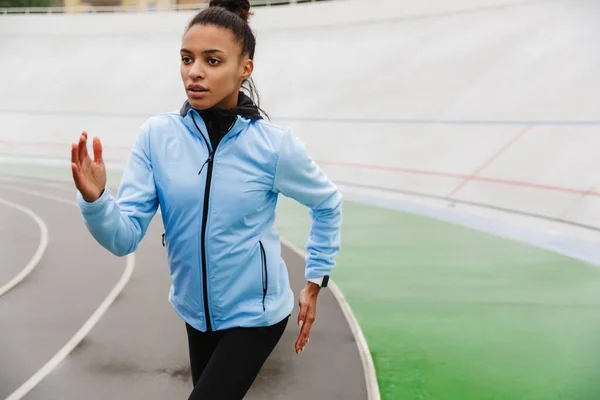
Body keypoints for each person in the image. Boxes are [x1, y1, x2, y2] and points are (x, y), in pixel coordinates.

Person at [70, 0, 343, 398]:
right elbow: (123, 237)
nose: (194, 72)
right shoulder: (157, 137)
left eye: (212, 61)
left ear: (244, 69)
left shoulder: (273, 147)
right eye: (187, 58)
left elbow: (327, 202)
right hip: (194, 314)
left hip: (257, 315)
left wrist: (315, 279)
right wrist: (96, 201)